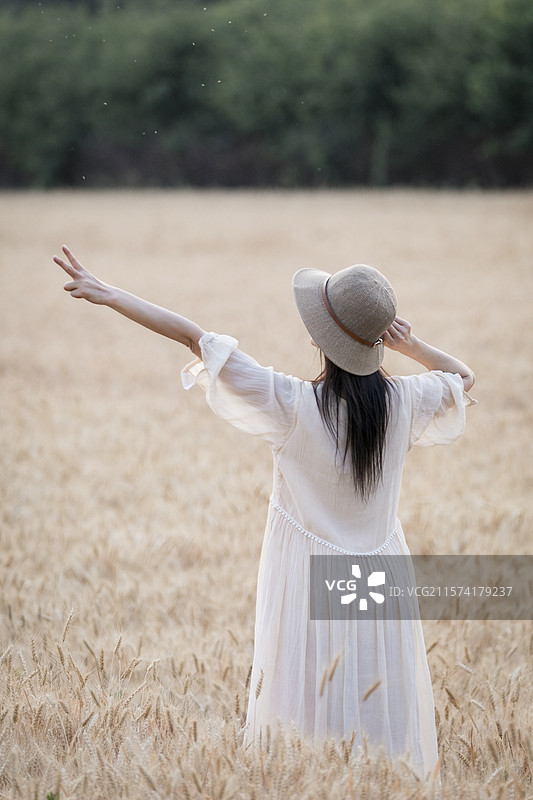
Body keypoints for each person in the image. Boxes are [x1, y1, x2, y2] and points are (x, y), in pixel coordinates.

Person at [53, 245, 476, 779]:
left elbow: (196, 338)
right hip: (378, 579)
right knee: (376, 702)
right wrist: (413, 346)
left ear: (320, 336)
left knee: (301, 710)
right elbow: (463, 378)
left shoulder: (291, 403)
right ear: (375, 345)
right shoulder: (404, 401)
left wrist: (111, 295)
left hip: (303, 583)